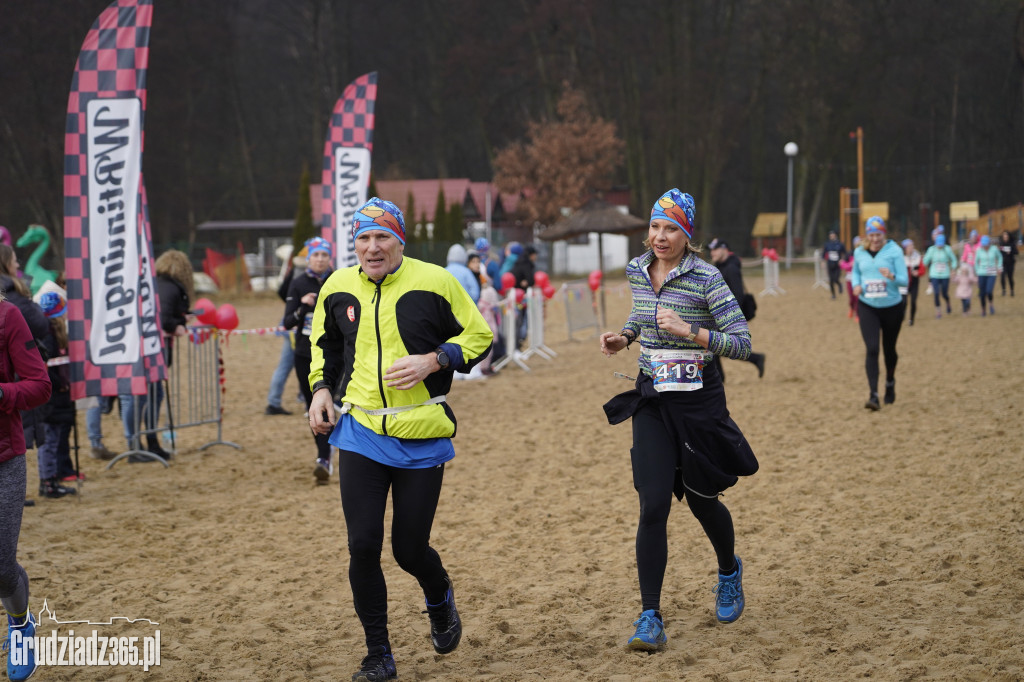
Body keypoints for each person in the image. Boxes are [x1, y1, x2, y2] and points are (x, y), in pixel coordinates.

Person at [307, 197, 492, 681]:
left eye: (382, 237)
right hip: (361, 431)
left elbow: (479, 336)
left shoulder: (436, 281)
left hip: (422, 434)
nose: (372, 248)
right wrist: (320, 390)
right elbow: (323, 343)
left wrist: (436, 360)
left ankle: (439, 595)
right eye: (363, 238)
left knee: (408, 550)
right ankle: (378, 654)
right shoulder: (338, 285)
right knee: (363, 544)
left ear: (400, 241)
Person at [599, 189, 758, 653]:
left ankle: (728, 570)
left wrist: (693, 331)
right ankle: (650, 616)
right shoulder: (637, 270)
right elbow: (644, 313)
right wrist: (625, 336)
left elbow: (743, 342)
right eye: (654, 227)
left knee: (703, 498)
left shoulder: (707, 277)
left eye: (670, 229)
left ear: (687, 234)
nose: (660, 237)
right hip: (652, 399)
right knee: (653, 505)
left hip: (698, 402)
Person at [0, 294, 51, 681]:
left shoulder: (8, 316)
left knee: (0, 566)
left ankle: (20, 625)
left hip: (4, 457)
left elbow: (40, 385)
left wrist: (4, 394)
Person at [283, 237, 334, 484]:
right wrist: (303, 307)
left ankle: (332, 453)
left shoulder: (338, 280)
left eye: (325, 255)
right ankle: (323, 456)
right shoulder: (298, 283)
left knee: (338, 403)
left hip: (336, 354)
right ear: (309, 258)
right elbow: (287, 322)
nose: (320, 259)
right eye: (316, 255)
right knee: (314, 407)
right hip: (305, 353)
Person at [851, 216, 908, 410]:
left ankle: (890, 383)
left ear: (884, 234)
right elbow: (855, 272)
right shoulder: (859, 251)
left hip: (892, 307)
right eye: (872, 235)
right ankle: (873, 395)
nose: (875, 239)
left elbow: (905, 281)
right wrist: (856, 285)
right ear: (867, 235)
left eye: (878, 235)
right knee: (872, 349)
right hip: (868, 306)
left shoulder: (895, 251)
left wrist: (891, 276)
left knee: (889, 350)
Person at [35, 292, 77, 497]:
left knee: (53, 437)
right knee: (49, 440)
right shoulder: (49, 337)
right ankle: (48, 481)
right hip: (51, 396)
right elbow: (47, 368)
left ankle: (50, 478)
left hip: (56, 395)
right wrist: (61, 384)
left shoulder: (53, 334)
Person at [707, 238, 765, 379]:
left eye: (715, 249)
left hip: (728, 315)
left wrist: (729, 317)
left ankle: (720, 377)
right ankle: (755, 359)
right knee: (716, 345)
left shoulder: (731, 268)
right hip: (721, 314)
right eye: (711, 249)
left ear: (724, 249)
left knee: (716, 344)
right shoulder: (721, 266)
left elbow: (738, 295)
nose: (712, 252)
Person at [265, 251, 301, 416]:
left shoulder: (295, 271)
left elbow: (281, 291)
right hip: (296, 328)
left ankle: (275, 401)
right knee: (287, 365)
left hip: (292, 326)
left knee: (290, 365)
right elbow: (282, 291)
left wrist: (290, 303)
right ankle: (274, 402)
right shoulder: (301, 275)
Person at [922, 234, 957, 318]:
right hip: (934, 274)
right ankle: (938, 311)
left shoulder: (947, 249)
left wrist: (953, 269)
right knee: (936, 293)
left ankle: (948, 302)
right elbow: (925, 261)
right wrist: (923, 263)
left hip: (945, 274)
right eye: (938, 244)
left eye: (941, 244)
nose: (939, 246)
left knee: (944, 293)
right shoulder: (931, 250)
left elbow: (954, 260)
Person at [973, 235, 1002, 316]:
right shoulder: (979, 250)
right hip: (981, 273)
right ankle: (983, 309)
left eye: (986, 244)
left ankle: (991, 304)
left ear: (989, 243)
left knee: (989, 291)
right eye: (983, 244)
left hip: (992, 273)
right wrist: (977, 271)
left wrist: (999, 267)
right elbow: (976, 261)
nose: (985, 246)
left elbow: (999, 258)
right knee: (982, 293)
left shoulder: (994, 249)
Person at [900, 238, 925, 326]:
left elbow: (923, 269)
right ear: (905, 248)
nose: (912, 247)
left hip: (914, 282)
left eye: (912, 245)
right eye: (910, 246)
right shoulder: (900, 258)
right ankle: (902, 316)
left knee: (913, 301)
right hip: (903, 283)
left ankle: (911, 319)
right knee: (903, 302)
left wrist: (918, 272)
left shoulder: (917, 256)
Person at [822, 230, 847, 299]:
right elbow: (824, 254)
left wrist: (842, 260)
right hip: (830, 264)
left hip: (837, 265)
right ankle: (833, 295)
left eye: (833, 235)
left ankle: (840, 285)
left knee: (836, 279)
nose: (832, 236)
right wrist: (823, 262)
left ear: (835, 235)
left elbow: (845, 253)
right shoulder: (827, 244)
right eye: (830, 235)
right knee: (831, 281)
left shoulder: (840, 244)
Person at [839, 238, 859, 320]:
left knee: (858, 298)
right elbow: (842, 264)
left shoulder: (865, 254)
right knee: (852, 298)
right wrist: (850, 265)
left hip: (859, 279)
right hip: (850, 279)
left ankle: (858, 314)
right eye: (857, 244)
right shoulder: (850, 254)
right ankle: (851, 308)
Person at [998, 230, 1018, 296]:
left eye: (1006, 235)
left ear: (1008, 236)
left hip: (1010, 263)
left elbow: (1016, 252)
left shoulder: (1012, 244)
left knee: (1010, 277)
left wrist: (1011, 251)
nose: (1005, 236)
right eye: (1004, 235)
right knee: (1002, 277)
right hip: (1003, 263)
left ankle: (1012, 290)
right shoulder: (1001, 243)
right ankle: (1004, 290)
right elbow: (999, 253)